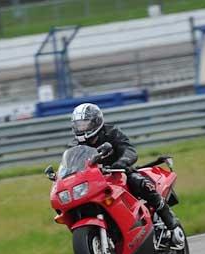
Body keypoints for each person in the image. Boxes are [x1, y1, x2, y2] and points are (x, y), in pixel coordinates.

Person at [70, 103, 184, 245]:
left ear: (96, 122)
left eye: (84, 123)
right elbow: (71, 164)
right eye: (78, 124)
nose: (81, 127)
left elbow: (129, 150)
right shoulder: (75, 145)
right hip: (95, 181)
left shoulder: (112, 132)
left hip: (119, 173)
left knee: (140, 183)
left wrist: (121, 162)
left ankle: (171, 223)